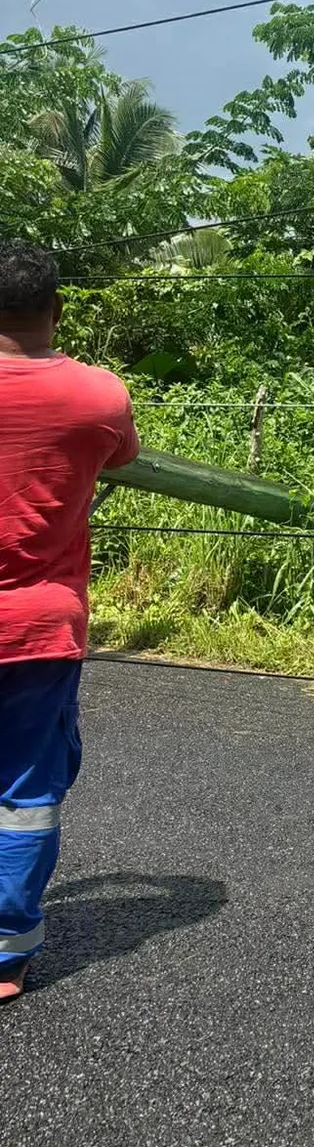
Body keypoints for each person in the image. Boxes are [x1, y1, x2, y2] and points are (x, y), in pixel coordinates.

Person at [0, 241, 139, 1001]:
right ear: (55, 310)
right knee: (25, 794)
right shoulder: (98, 396)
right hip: (38, 629)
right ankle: (5, 957)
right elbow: (121, 457)